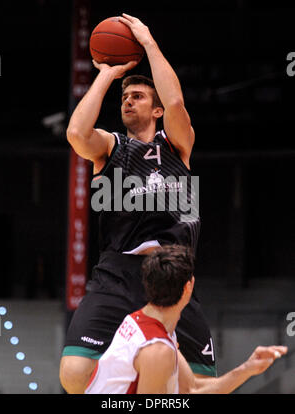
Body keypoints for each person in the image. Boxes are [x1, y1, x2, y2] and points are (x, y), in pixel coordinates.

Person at [60, 13, 213, 394]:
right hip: (118, 271)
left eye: (138, 96)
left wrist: (147, 42)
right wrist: (108, 74)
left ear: (157, 111)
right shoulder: (111, 147)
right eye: (125, 98)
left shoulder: (177, 145)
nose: (128, 101)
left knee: (203, 385)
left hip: (172, 273)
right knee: (74, 374)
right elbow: (77, 133)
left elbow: (176, 100)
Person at [85, 245, 287, 394]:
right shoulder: (156, 350)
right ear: (188, 287)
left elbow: (192, 389)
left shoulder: (147, 324)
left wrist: (247, 369)